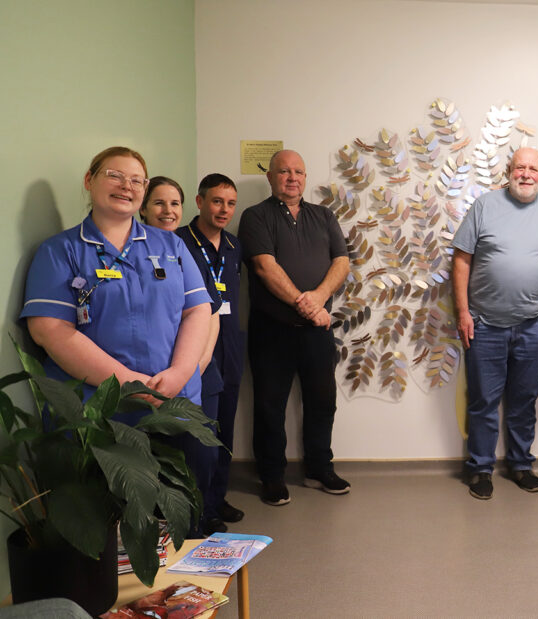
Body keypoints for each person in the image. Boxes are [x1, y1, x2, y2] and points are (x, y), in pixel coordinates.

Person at [21, 146, 210, 415]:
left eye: (136, 180)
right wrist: (129, 383)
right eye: (114, 175)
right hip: (99, 409)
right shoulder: (60, 251)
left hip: (176, 399)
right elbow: (49, 329)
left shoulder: (172, 245)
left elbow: (197, 310)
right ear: (89, 180)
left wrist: (180, 372)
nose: (126, 186)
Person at [452, 147, 538, 500]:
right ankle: (480, 468)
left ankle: (521, 464)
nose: (526, 174)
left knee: (523, 400)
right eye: (520, 167)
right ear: (509, 171)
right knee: (483, 401)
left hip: (534, 324)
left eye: (533, 169)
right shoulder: (484, 205)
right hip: (484, 324)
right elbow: (461, 260)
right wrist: (462, 312)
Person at [238, 149, 350, 506]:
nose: (292, 177)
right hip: (272, 329)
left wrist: (318, 298)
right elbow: (264, 267)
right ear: (270, 177)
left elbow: (342, 262)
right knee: (270, 406)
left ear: (305, 178)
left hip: (317, 331)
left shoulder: (324, 215)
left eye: (298, 172)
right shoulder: (255, 216)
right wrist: (307, 305)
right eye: (284, 171)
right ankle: (272, 476)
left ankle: (319, 468)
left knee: (323, 402)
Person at [176, 173, 245, 534]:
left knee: (225, 428)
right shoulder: (179, 241)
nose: (224, 210)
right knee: (198, 434)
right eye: (217, 201)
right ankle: (197, 508)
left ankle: (217, 499)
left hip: (229, 344)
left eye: (230, 203)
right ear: (200, 202)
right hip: (196, 346)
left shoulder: (234, 246)